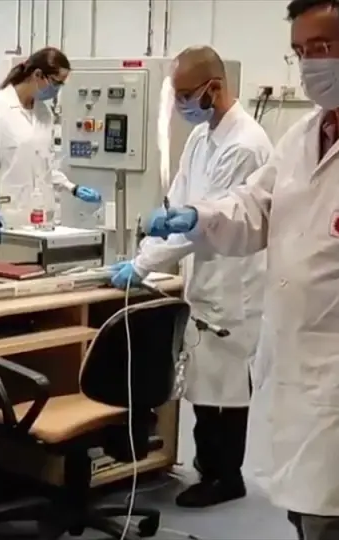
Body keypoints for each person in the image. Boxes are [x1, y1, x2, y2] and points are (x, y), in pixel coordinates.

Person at [142, 0, 339, 538]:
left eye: (321, 47)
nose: (308, 64)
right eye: (299, 51)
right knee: (301, 506)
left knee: (329, 518)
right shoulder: (301, 137)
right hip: (288, 361)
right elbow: (254, 208)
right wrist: (199, 216)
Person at [109, 46, 273, 508]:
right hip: (204, 275)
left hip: (232, 281)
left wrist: (143, 265)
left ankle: (226, 477)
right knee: (204, 383)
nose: (181, 104)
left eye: (185, 95)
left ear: (213, 88)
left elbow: (205, 223)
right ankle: (208, 467)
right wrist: (149, 243)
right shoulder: (202, 138)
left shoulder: (245, 144)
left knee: (226, 388)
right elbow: (180, 205)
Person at [0, 47, 102, 228]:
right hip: (11, 216)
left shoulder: (44, 112)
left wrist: (71, 187)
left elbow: (45, 166)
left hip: (44, 217)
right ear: (37, 75)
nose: (56, 90)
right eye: (55, 83)